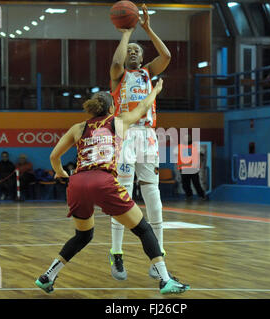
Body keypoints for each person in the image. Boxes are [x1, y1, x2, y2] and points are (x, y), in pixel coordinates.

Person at [35, 79, 190, 295]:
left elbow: (54, 156)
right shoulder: (118, 122)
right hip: (102, 180)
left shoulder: (78, 128)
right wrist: (155, 90)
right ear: (111, 108)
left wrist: (61, 172)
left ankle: (47, 276)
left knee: (83, 236)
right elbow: (144, 107)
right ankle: (165, 280)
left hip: (77, 183)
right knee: (144, 229)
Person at [109, 3, 171, 281]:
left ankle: (158, 256)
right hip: (124, 135)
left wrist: (147, 28)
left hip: (147, 136)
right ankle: (116, 252)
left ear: (143, 57)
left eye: (137, 49)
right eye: (130, 50)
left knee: (153, 198)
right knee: (122, 197)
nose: (133, 52)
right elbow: (115, 63)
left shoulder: (147, 73)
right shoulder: (120, 76)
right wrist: (126, 34)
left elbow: (166, 55)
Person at [176, 133, 208, 201]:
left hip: (193, 169)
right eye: (185, 138)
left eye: (188, 138)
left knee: (196, 183)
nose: (187, 139)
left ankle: (202, 196)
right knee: (185, 185)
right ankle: (189, 196)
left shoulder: (196, 146)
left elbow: (202, 152)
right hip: (184, 169)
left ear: (191, 139)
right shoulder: (180, 147)